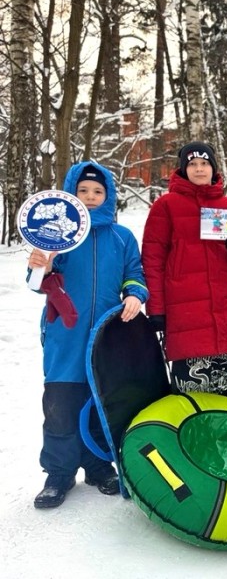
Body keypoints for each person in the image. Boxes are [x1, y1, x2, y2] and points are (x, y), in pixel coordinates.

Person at [27, 161, 147, 509]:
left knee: (100, 402)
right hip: (65, 334)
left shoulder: (122, 237)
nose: (91, 198)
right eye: (83, 191)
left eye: (98, 192)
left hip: (107, 337)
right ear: (71, 194)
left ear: (109, 197)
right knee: (61, 404)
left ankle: (97, 466)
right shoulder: (57, 234)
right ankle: (59, 473)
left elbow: (134, 274)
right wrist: (42, 265)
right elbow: (36, 283)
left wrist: (134, 295)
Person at [142, 141, 227, 398]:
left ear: (213, 168)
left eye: (204, 164)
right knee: (189, 399)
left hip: (223, 314)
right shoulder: (166, 206)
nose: (199, 169)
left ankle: (225, 439)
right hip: (185, 313)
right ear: (183, 169)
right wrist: (156, 310)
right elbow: (153, 260)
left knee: (224, 396)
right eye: (192, 164)